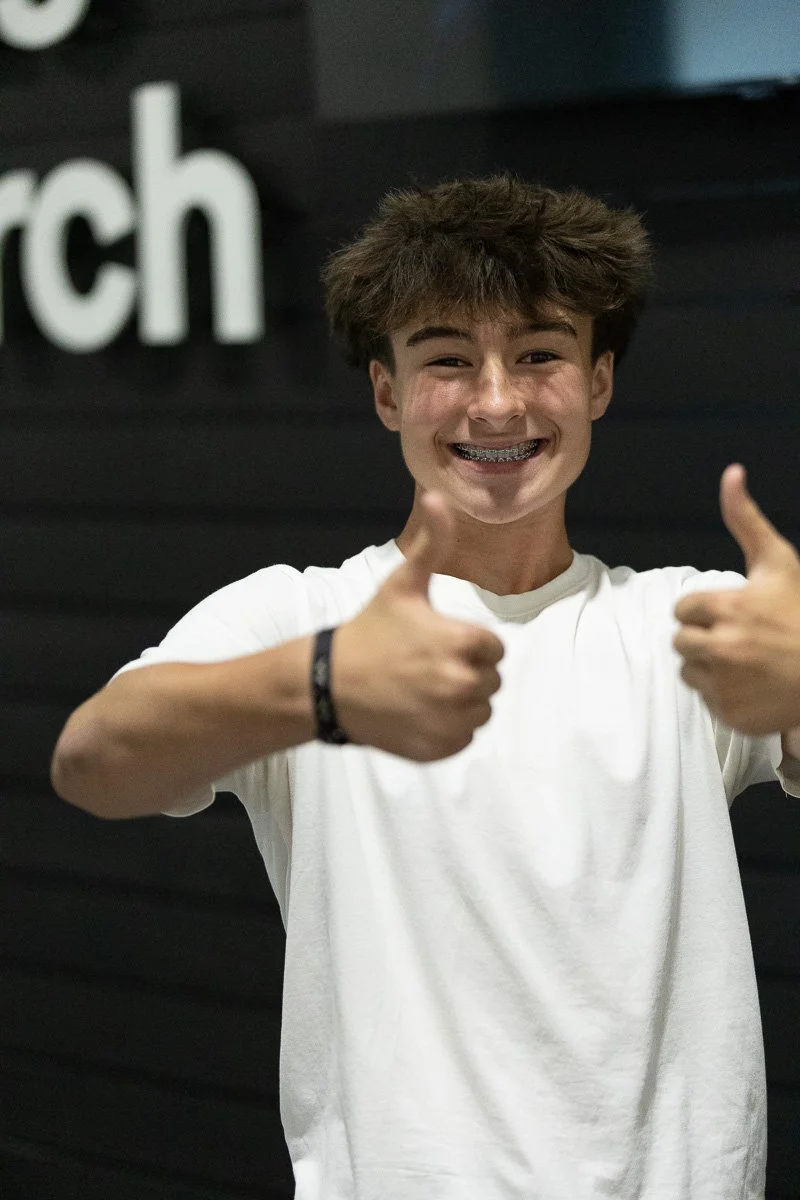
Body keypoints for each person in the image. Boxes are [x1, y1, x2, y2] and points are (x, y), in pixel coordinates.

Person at [51, 174, 800, 1200]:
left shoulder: (682, 623)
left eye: (539, 353)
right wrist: (320, 685)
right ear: (387, 392)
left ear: (598, 382)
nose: (495, 401)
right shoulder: (298, 615)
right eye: (446, 359)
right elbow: (94, 762)